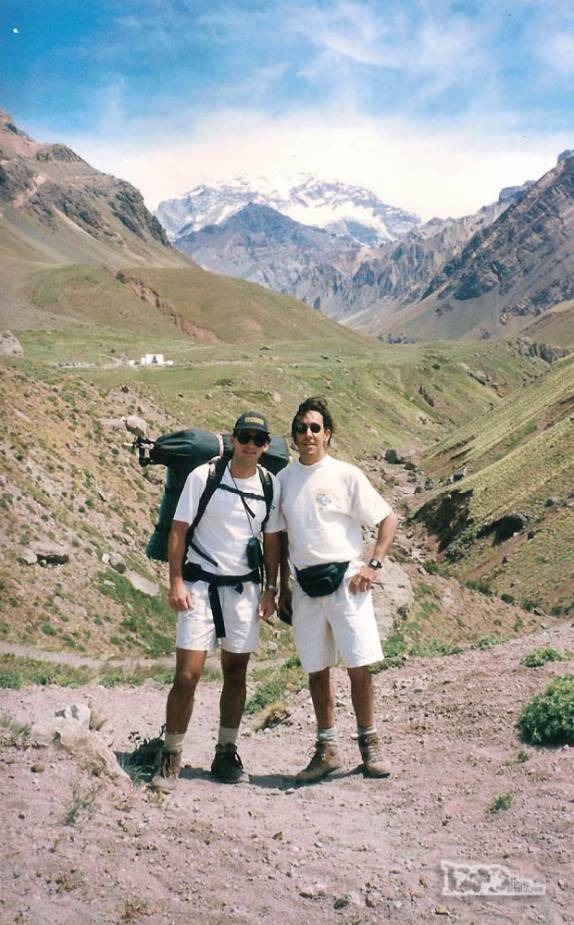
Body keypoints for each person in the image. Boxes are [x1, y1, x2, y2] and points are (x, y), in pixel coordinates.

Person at [151, 411, 282, 791]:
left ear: (266, 446)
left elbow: (272, 539)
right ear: (233, 439)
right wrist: (176, 581)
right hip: (199, 586)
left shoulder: (269, 485)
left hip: (243, 590)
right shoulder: (204, 476)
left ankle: (226, 752)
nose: (251, 445)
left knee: (236, 674)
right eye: (245, 436)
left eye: (258, 439)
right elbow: (179, 529)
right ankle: (171, 753)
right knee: (187, 675)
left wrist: (271, 588)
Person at [278, 397, 398, 782]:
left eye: (315, 428)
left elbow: (387, 518)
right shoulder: (284, 480)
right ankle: (327, 749)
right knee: (317, 669)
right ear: (294, 435)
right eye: (301, 428)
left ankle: (369, 743)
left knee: (358, 666)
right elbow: (277, 538)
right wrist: (281, 586)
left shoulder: (346, 475)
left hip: (347, 582)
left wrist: (374, 564)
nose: (308, 434)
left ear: (328, 433)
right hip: (304, 586)